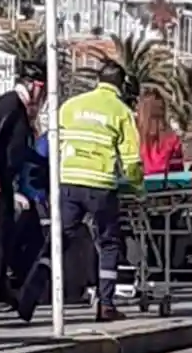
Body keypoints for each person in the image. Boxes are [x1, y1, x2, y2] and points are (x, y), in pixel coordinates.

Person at [19, 63, 143, 323]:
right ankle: (106, 305)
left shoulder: (71, 106)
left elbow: (52, 143)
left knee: (58, 240)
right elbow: (132, 161)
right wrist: (136, 186)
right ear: (121, 85)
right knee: (109, 243)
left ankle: (31, 292)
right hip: (100, 185)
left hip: (69, 183)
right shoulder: (121, 111)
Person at [0, 67, 46, 307]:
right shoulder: (10, 102)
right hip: (0, 180)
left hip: (10, 180)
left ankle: (0, 288)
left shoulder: (22, 109)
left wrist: (45, 163)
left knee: (7, 235)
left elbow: (20, 148)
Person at [136, 94, 183, 175]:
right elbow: (180, 157)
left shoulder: (135, 133)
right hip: (167, 177)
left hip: (142, 177)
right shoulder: (171, 135)